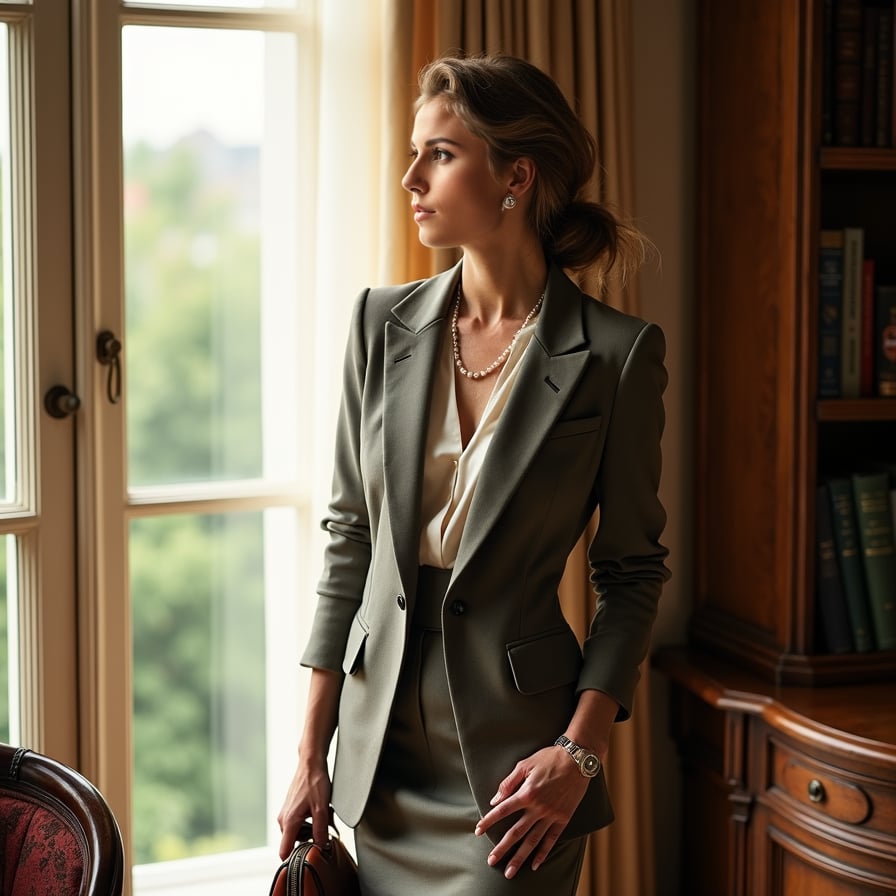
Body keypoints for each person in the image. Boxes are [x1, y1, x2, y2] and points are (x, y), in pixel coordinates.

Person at [277, 52, 670, 895]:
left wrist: (579, 753)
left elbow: (631, 573)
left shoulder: (615, 355)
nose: (412, 175)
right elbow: (350, 544)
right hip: (379, 755)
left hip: (516, 768)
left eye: (442, 153)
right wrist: (312, 753)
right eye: (416, 151)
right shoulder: (380, 324)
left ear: (516, 176)